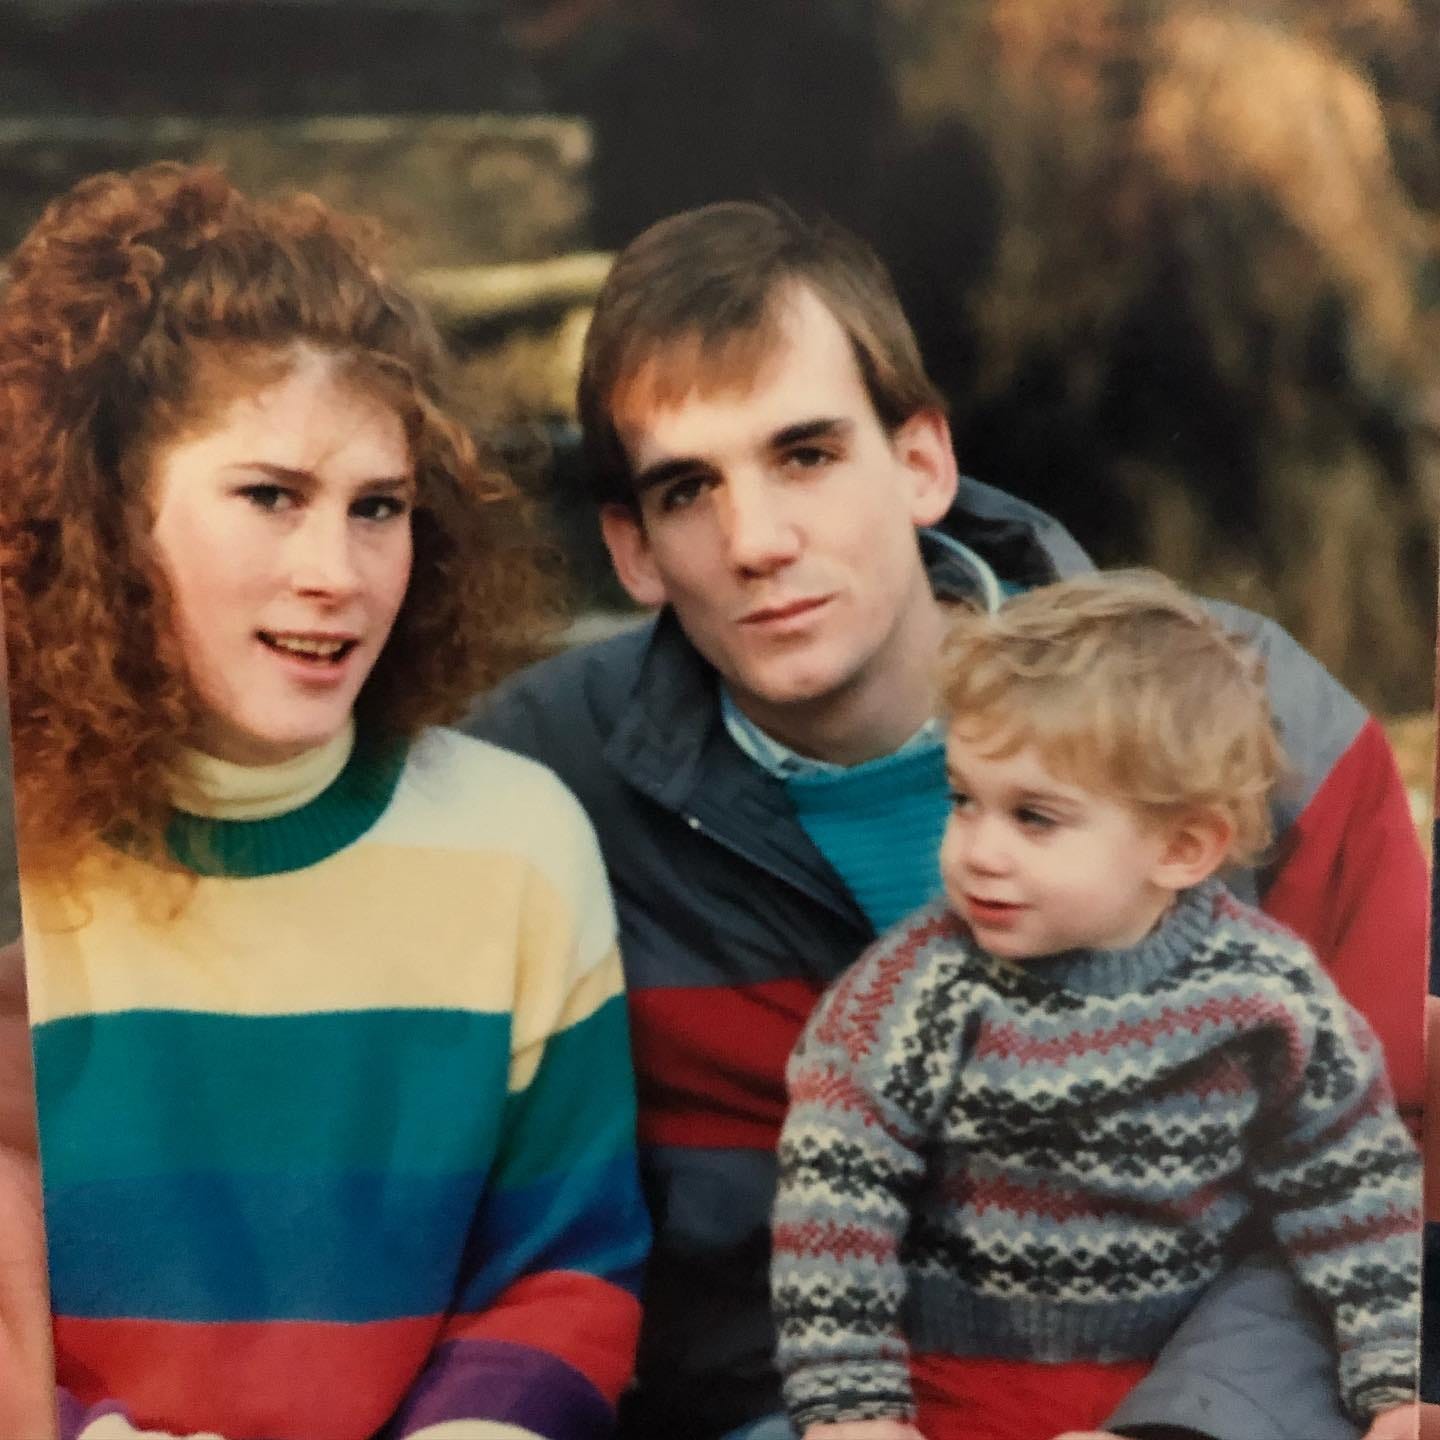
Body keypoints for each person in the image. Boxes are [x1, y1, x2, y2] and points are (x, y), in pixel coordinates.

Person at [468, 200, 1427, 1440]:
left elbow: (1381, 1147)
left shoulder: (1261, 728)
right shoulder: (529, 791)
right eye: (687, 488)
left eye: (804, 454)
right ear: (633, 551)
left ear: (921, 462)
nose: (756, 540)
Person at [0, 162, 648, 1440]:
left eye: (378, 510)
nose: (335, 573)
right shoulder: (26, 852)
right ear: (106, 514)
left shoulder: (514, 846)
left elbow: (565, 1272)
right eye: (271, 497)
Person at [771, 571, 1421, 1440]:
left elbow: (1352, 1185)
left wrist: (1387, 1376)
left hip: (1178, 1389)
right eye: (965, 800)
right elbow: (834, 1187)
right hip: (948, 1388)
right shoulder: (920, 988)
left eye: (1035, 817)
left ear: (1183, 846)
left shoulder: (1263, 994)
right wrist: (852, 1407)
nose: (977, 851)